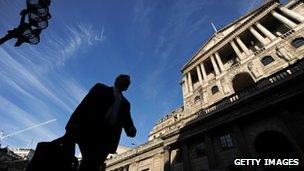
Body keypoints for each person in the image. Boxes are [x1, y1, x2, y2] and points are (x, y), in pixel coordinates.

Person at [65, 74, 137, 171]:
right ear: (116, 80)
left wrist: (131, 128)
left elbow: (127, 119)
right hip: (91, 131)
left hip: (108, 138)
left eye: (128, 83)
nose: (126, 83)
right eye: (124, 80)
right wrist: (72, 123)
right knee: (88, 161)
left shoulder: (126, 103)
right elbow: (84, 105)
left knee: (94, 164)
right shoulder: (100, 88)